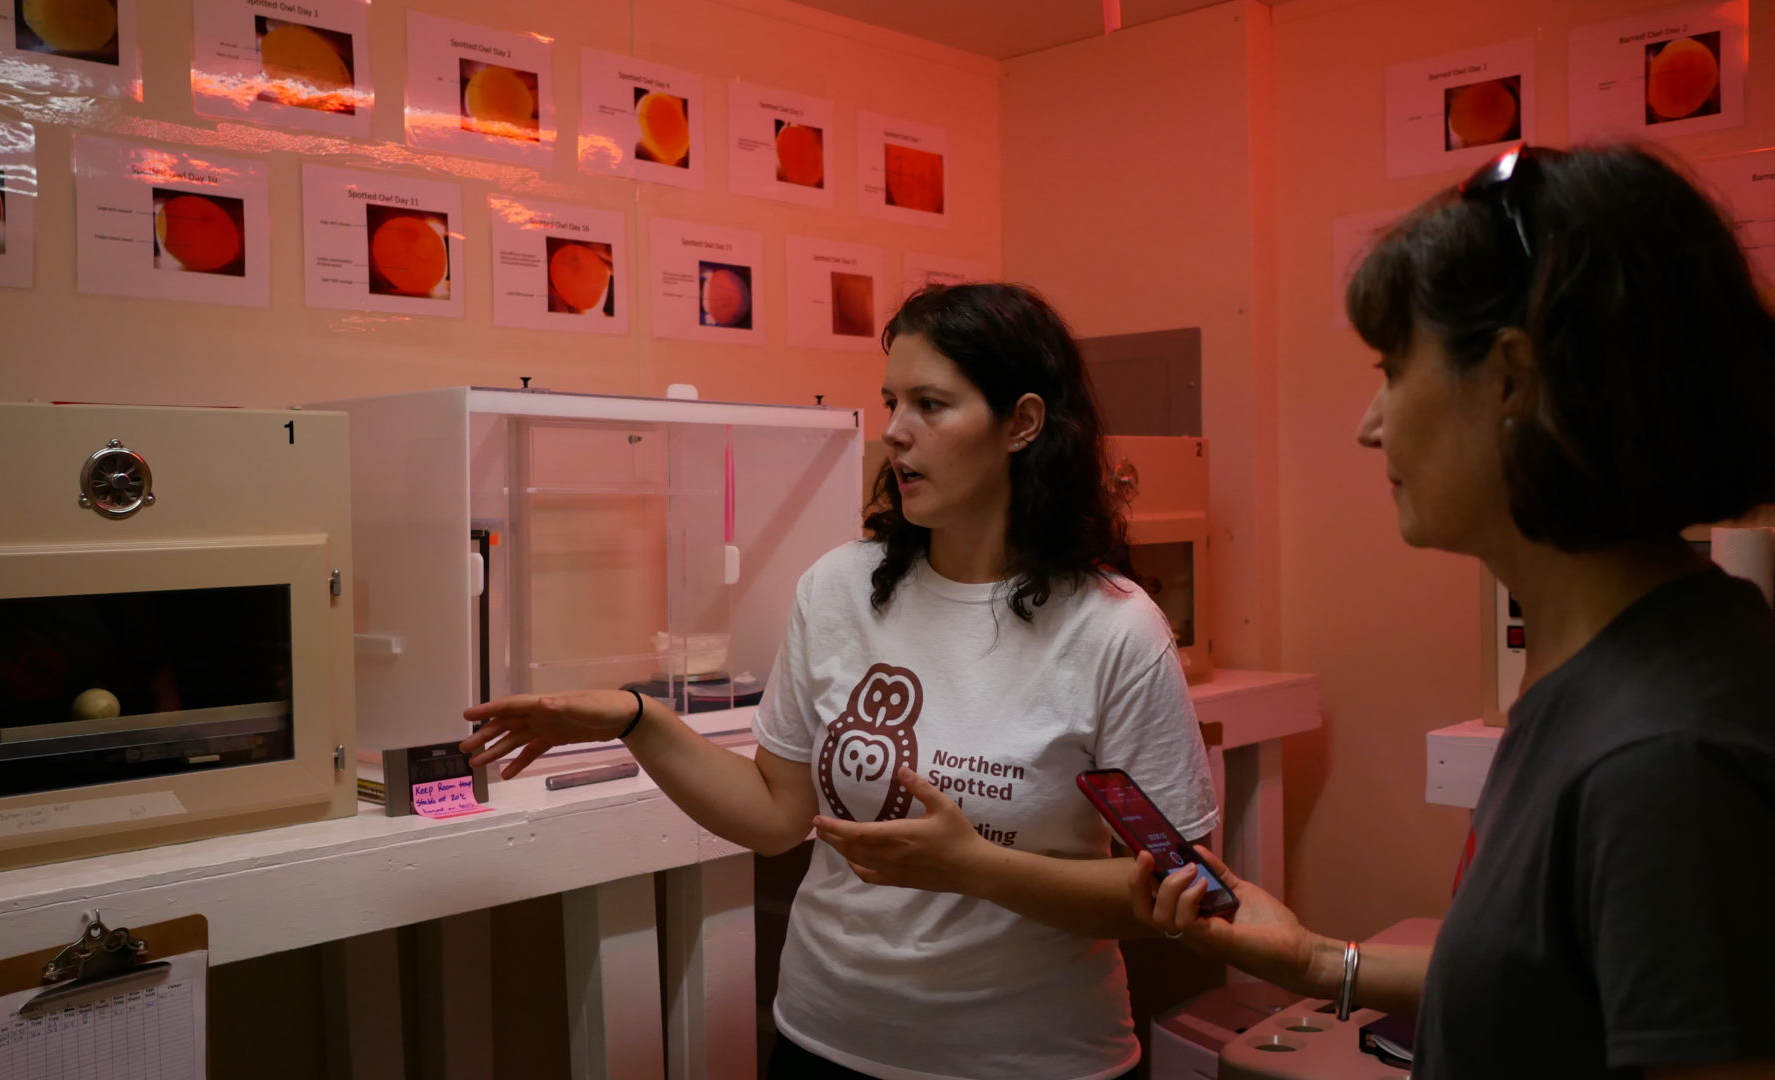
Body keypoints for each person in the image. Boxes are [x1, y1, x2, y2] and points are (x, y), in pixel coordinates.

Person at [462, 282, 1218, 1080]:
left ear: (1023, 424)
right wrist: (637, 720)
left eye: (932, 403)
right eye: (892, 401)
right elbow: (776, 815)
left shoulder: (1112, 628)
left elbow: (1184, 888)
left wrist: (975, 867)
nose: (894, 432)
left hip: (1034, 1060)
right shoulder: (839, 588)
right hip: (827, 1042)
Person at [1132, 143, 1775, 1079]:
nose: (1370, 422)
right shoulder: (1609, 666)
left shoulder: (1669, 761)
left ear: (1511, 379)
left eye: (1394, 368)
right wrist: (1318, 961)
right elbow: (1556, 983)